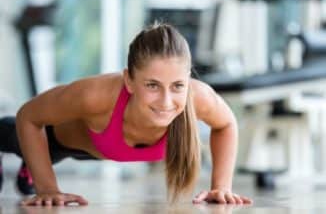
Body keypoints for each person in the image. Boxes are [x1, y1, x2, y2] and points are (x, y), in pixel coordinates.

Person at [0, 23, 252, 206]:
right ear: (129, 80)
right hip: (55, 141)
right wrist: (48, 188)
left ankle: (31, 168)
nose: (166, 102)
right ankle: (30, 162)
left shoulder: (199, 98)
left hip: (97, 151)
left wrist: (221, 187)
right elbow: (29, 117)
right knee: (14, 138)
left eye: (177, 86)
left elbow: (227, 124)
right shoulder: (95, 95)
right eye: (152, 85)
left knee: (32, 174)